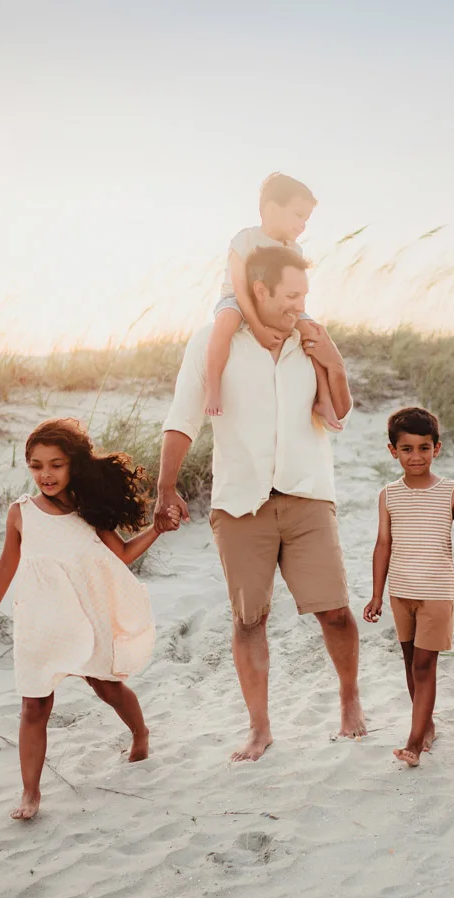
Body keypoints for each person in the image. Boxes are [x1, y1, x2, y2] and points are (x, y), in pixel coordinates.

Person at [155, 244, 364, 762]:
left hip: (308, 493)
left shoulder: (309, 339)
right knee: (249, 620)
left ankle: (350, 700)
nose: (300, 304)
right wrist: (165, 486)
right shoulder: (213, 342)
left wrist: (331, 357)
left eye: (305, 295)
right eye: (291, 295)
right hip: (240, 502)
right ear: (260, 290)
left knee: (336, 612)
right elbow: (184, 416)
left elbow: (339, 410)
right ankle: (259, 728)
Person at [0, 417, 175, 820]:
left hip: (85, 615)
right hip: (39, 622)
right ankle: (30, 794)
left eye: (55, 464)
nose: (45, 474)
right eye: (36, 465)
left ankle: (140, 734)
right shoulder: (21, 512)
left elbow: (120, 555)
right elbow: (6, 566)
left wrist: (157, 530)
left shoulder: (89, 511)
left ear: (73, 465)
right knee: (34, 706)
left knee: (108, 687)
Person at [363, 407, 454, 768]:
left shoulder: (450, 491)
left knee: (426, 666)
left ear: (437, 449)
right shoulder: (388, 495)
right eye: (407, 449)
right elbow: (383, 545)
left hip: (436, 593)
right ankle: (425, 726)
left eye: (424, 448)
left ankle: (413, 741)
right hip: (400, 593)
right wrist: (377, 594)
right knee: (412, 665)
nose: (416, 456)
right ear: (392, 451)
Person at [202, 172, 341, 430]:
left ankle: (323, 399)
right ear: (271, 209)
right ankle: (213, 388)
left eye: (307, 219)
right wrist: (257, 328)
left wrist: (296, 316)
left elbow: (294, 290)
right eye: (298, 215)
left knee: (313, 333)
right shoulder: (245, 239)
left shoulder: (293, 249)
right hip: (237, 297)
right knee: (224, 325)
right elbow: (241, 288)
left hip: (278, 304)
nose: (303, 225)